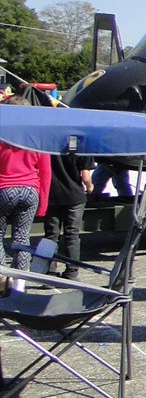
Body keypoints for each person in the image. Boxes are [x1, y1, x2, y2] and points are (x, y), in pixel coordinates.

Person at [0, 95, 51, 294]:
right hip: (30, 189)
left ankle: (2, 278)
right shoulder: (36, 135)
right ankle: (20, 284)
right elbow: (45, 171)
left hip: (4, 189)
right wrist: (43, 205)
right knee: (22, 237)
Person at [43, 149, 93, 279]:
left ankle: (49, 273)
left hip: (51, 195)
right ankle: (72, 272)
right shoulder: (82, 146)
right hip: (75, 196)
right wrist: (90, 187)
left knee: (51, 235)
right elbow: (86, 177)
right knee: (72, 234)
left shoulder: (49, 145)